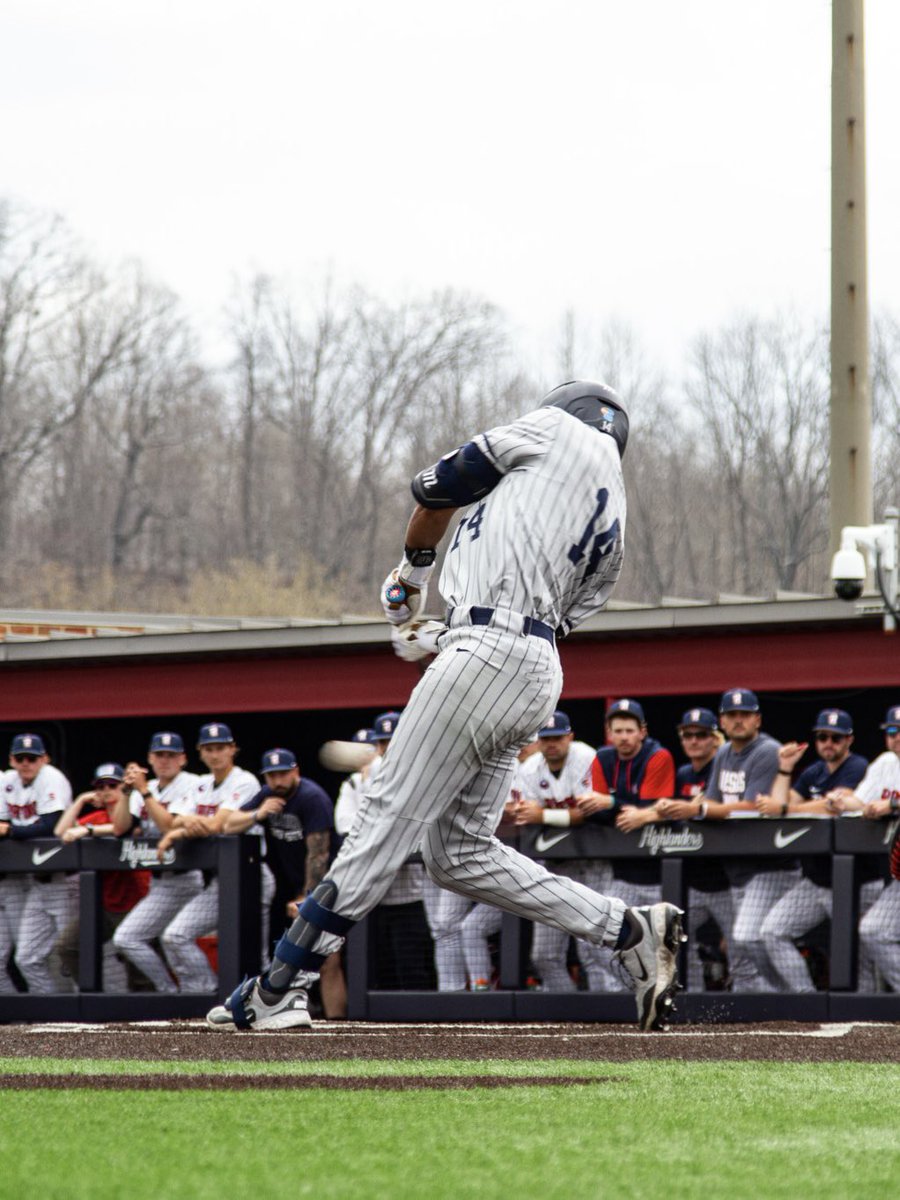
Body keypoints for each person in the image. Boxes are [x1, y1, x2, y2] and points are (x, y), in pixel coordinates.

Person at [207, 379, 684, 1034]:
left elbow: (435, 485)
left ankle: (282, 984)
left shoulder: (558, 430)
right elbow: (545, 613)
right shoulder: (609, 517)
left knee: (383, 823)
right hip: (529, 666)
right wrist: (444, 631)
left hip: (488, 655)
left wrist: (410, 579)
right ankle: (626, 929)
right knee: (457, 854)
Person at [659, 688, 787, 992]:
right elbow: (714, 804)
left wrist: (698, 808)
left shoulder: (768, 750)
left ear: (757, 719)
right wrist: (700, 808)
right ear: (723, 721)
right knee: (747, 944)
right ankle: (776, 1002)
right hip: (737, 868)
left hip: (770, 865)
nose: (738, 720)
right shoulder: (725, 753)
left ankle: (795, 997)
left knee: (749, 939)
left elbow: (752, 807)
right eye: (732, 715)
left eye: (745, 715)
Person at [209, 747, 342, 1026]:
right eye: (272, 776)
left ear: (296, 772)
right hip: (293, 885)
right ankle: (299, 1009)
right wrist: (259, 813)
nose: (278, 781)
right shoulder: (268, 795)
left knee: (328, 958)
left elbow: (318, 856)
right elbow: (228, 825)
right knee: (292, 956)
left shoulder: (311, 797)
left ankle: (338, 1023)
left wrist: (308, 898)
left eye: (283, 774)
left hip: (332, 884)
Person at [756, 709, 876, 992]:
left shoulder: (858, 766)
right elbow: (776, 805)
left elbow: (835, 804)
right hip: (816, 881)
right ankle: (806, 998)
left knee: (860, 953)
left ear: (849, 740)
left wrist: (786, 809)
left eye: (836, 737)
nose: (828, 743)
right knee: (772, 931)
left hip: (857, 881)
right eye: (822, 737)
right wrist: (785, 768)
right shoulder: (813, 771)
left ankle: (870, 1020)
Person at [510, 711, 619, 991]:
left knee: (593, 949)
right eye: (545, 739)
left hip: (593, 860)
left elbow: (589, 813)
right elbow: (526, 817)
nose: (552, 744)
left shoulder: (585, 756)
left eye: (558, 737)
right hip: (554, 867)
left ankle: (608, 1009)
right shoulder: (530, 768)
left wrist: (545, 816)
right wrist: (546, 815)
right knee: (543, 956)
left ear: (570, 737)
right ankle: (569, 1016)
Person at [156, 722, 266, 993]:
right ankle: (204, 992)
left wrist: (183, 828)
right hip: (219, 880)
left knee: (254, 953)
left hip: (253, 876)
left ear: (232, 749)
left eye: (220, 748)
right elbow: (174, 820)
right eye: (209, 749)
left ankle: (271, 1004)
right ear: (200, 752)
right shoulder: (202, 784)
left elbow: (220, 824)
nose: (215, 754)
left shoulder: (245, 780)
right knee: (174, 935)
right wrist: (180, 827)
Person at [334, 713, 434, 991]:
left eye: (393, 740)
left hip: (412, 894)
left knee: (412, 965)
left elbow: (414, 824)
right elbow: (345, 824)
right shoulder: (356, 783)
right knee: (376, 968)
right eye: (382, 743)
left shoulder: (422, 774)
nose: (388, 747)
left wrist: (376, 832)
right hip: (373, 897)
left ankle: (422, 1025)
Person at [110, 732, 203, 992]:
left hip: (190, 876)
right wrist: (126, 792)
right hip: (160, 881)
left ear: (183, 759)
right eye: (159, 755)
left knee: (175, 939)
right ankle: (172, 991)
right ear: (150, 759)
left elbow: (168, 826)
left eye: (171, 755)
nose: (165, 760)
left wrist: (143, 790)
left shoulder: (192, 783)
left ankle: (204, 989)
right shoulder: (144, 789)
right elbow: (119, 829)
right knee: (129, 938)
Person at [53, 763, 151, 991]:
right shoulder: (95, 817)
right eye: (101, 785)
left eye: (112, 785)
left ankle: (150, 1020)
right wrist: (81, 801)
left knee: (138, 968)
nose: (106, 790)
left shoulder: (132, 809)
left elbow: (123, 828)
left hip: (137, 900)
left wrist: (88, 831)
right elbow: (60, 832)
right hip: (105, 904)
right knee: (68, 946)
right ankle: (94, 1001)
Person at [653, 708, 731, 991]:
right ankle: (692, 1003)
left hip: (727, 882)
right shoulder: (683, 772)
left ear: (714, 738)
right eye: (688, 735)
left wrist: (695, 808)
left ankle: (755, 1008)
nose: (694, 741)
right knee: (673, 940)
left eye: (701, 735)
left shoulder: (722, 768)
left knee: (741, 950)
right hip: (693, 882)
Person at [577, 700, 676, 921]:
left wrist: (611, 803)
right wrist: (604, 805)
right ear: (609, 733)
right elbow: (598, 811)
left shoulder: (657, 755)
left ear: (642, 732)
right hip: (621, 872)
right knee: (611, 927)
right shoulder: (602, 757)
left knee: (663, 936)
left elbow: (647, 810)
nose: (624, 737)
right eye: (618, 731)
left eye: (630, 731)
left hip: (658, 867)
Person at [0, 734, 73, 993]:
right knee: (27, 958)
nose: (26, 763)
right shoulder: (8, 781)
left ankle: (90, 1019)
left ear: (44, 759)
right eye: (20, 758)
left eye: (32, 758)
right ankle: (48, 1017)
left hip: (67, 881)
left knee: (73, 953)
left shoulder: (52, 778)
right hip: (35, 882)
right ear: (11, 760)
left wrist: (10, 831)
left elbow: (51, 825)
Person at [844, 705, 900, 990]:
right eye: (893, 731)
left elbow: (887, 803)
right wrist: (846, 801)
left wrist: (891, 804)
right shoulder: (885, 763)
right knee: (874, 929)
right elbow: (859, 800)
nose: (897, 737)